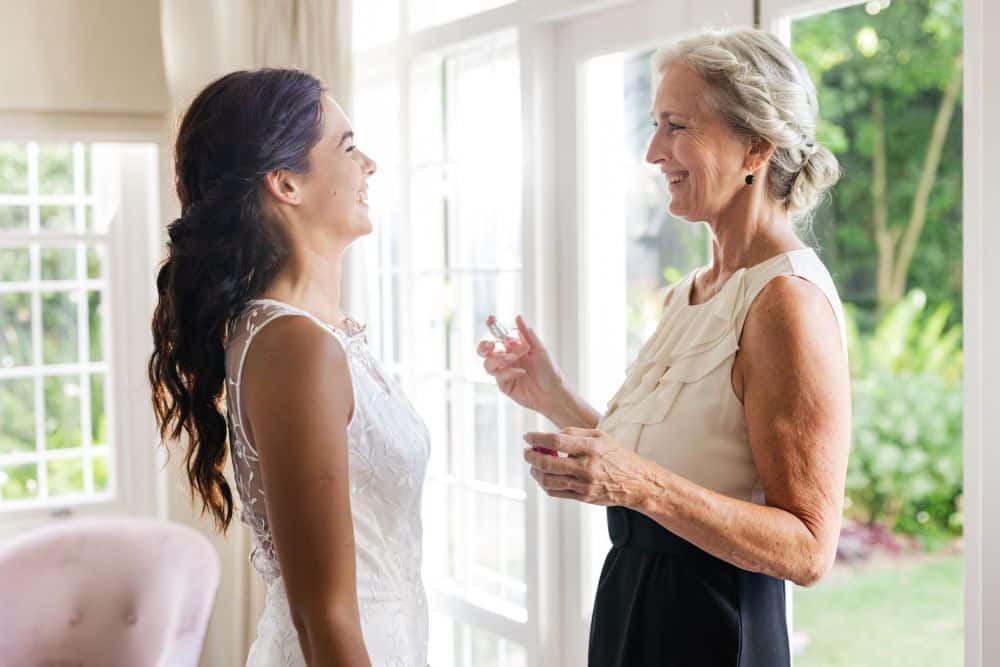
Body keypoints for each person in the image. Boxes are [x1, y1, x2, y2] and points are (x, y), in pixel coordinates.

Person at [479, 28, 850, 666]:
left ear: (755, 147)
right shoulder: (694, 291)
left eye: (676, 125)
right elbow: (662, 464)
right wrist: (553, 396)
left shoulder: (786, 301)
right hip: (636, 611)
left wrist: (640, 488)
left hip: (713, 631)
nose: (654, 152)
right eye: (655, 124)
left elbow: (808, 550)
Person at [149, 69, 430, 666]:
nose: (369, 165)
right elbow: (322, 613)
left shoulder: (316, 335)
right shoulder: (295, 347)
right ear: (286, 184)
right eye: (349, 147)